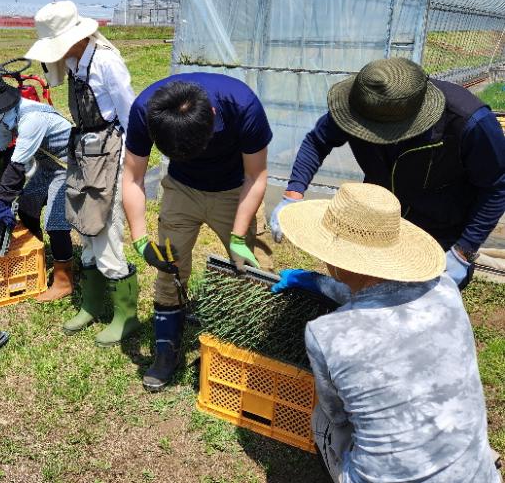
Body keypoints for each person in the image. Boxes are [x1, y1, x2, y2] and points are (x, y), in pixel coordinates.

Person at [271, 182, 501, 483]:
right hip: (477, 476)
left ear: (336, 259)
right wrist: (320, 283)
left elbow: (338, 414)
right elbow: (383, 292)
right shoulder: (445, 288)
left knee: (323, 416)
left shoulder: (326, 334)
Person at [270, 58, 505, 289]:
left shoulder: (470, 123)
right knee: (365, 288)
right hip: (378, 218)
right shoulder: (361, 105)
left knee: (420, 304)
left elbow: (497, 185)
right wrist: (293, 194)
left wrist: (463, 250)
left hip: (439, 226)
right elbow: (317, 141)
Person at [122, 73, 272, 391]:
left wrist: (238, 234)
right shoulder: (145, 110)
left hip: (234, 189)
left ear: (213, 117)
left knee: (246, 271)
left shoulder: (242, 105)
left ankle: (232, 347)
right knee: (169, 265)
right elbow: (133, 178)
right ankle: (167, 348)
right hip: (182, 188)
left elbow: (256, 176)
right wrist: (140, 240)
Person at [24, 0, 137, 346]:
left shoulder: (105, 62)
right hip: (84, 151)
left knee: (104, 227)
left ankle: (126, 315)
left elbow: (131, 113)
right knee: (84, 225)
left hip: (109, 153)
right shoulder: (74, 63)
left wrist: (132, 166)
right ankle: (91, 304)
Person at [0, 71, 74, 300]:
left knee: (55, 220)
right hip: (48, 165)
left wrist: (2, 202)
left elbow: (17, 167)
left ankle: (64, 281)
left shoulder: (31, 119)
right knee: (27, 204)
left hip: (69, 166)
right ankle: (37, 254)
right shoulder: (6, 117)